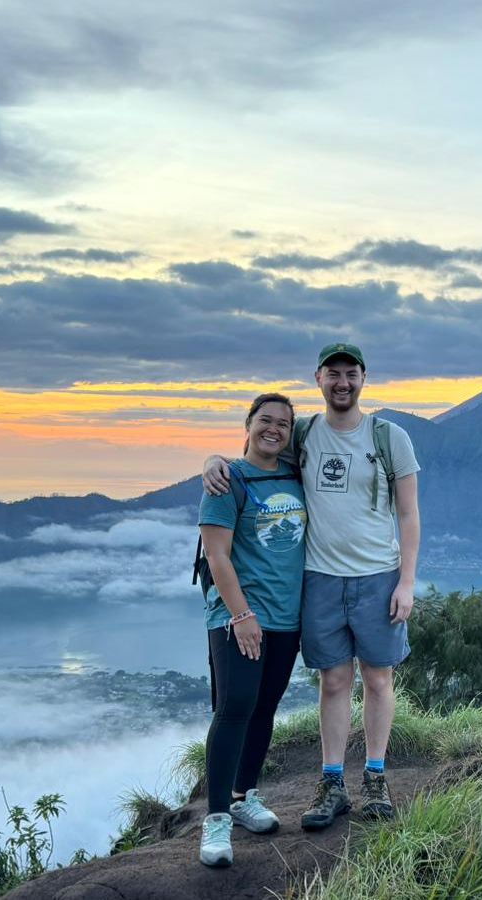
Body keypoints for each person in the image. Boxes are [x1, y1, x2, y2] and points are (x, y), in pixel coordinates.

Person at [204, 342, 421, 831]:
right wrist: (214, 461)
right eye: (332, 373)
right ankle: (332, 783)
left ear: (364, 377)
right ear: (318, 379)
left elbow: (408, 513)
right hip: (320, 578)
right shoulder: (303, 433)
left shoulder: (390, 438)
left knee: (379, 678)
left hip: (378, 576)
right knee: (335, 681)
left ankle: (376, 777)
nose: (342, 382)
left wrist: (406, 581)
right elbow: (261, 449)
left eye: (351, 373)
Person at [196, 393, 307, 868]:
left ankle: (244, 796)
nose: (274, 429)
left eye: (283, 424)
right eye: (266, 420)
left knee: (264, 708)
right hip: (237, 614)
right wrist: (241, 615)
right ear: (248, 424)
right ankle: (216, 819)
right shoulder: (226, 480)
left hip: (286, 616)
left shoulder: (295, 475)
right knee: (235, 706)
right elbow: (217, 555)